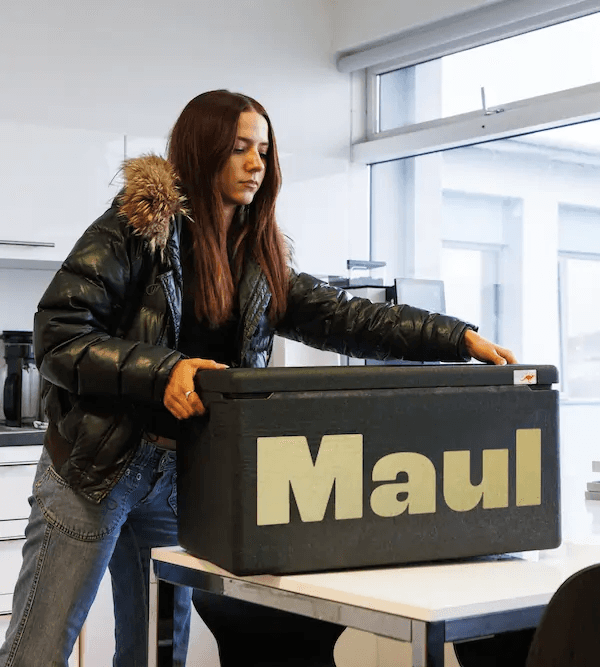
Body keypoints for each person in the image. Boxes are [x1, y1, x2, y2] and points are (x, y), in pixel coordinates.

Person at [0, 89, 517, 667]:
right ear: (202, 151)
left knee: (156, 655)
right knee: (38, 652)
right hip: (94, 468)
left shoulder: (258, 256)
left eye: (264, 151)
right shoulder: (136, 228)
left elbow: (349, 317)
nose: (256, 164)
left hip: (180, 474)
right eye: (239, 148)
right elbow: (58, 335)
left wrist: (455, 338)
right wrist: (163, 371)